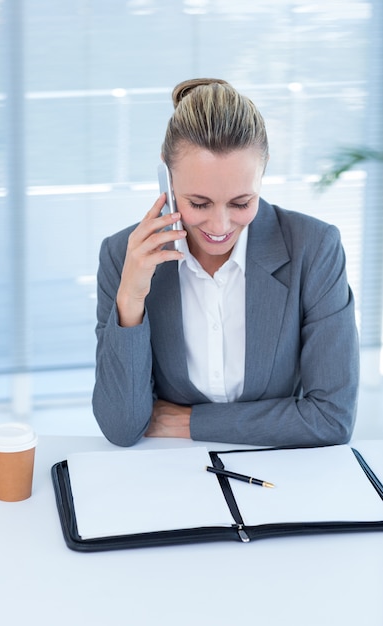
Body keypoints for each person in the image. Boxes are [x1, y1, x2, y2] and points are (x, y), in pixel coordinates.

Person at [92, 77, 359, 447]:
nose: (219, 226)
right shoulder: (122, 256)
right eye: (198, 203)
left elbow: (332, 418)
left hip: (281, 473)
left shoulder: (314, 249)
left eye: (241, 203)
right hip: (167, 475)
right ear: (166, 180)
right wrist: (131, 302)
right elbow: (123, 428)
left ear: (262, 174)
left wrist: (191, 422)